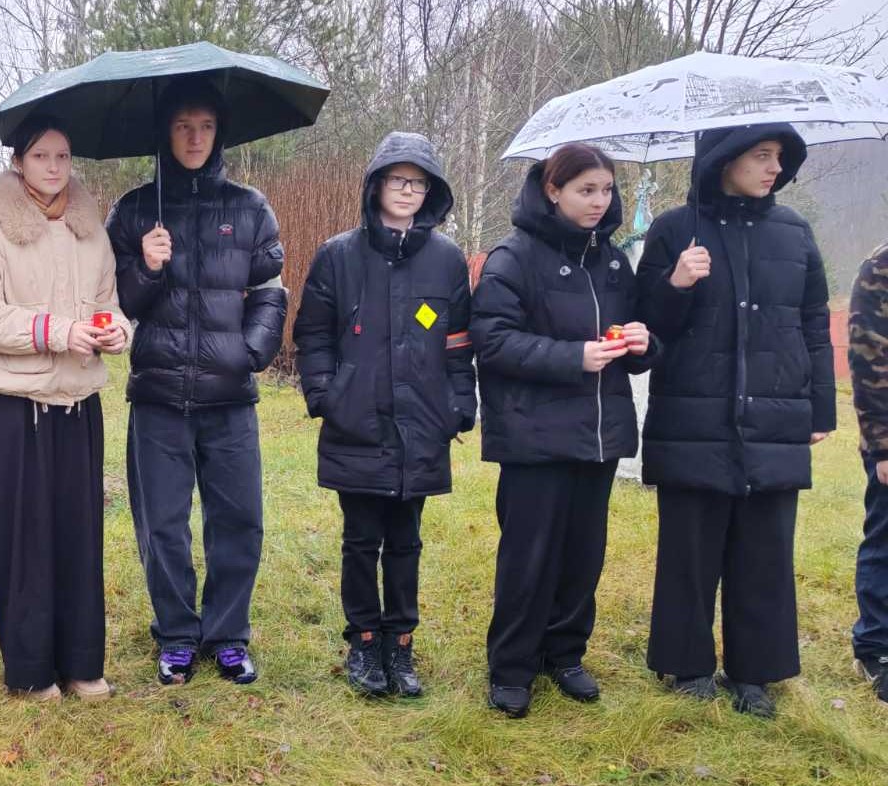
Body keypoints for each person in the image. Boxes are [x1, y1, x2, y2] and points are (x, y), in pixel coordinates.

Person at [637, 123, 834, 719]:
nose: (775, 168)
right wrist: (676, 284)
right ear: (724, 160)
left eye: (780, 157)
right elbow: (647, 329)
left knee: (764, 550)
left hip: (774, 413)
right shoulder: (674, 230)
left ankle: (755, 673)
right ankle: (687, 665)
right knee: (689, 549)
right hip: (693, 415)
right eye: (762, 155)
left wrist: (819, 407)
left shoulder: (794, 232)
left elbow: (813, 324)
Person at [105, 80, 287, 687]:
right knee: (161, 523)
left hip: (229, 397)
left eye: (205, 126)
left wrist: (250, 352)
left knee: (239, 519)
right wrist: (147, 266)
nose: (194, 138)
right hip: (157, 395)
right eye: (183, 125)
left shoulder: (249, 207)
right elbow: (117, 302)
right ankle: (178, 634)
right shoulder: (134, 211)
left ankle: (228, 635)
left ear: (219, 132)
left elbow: (270, 289)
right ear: (166, 131)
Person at [472, 143, 657, 718]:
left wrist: (643, 342)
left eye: (606, 190)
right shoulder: (513, 257)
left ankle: (566, 653)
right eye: (586, 190)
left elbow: (637, 341)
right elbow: (492, 341)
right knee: (529, 558)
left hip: (599, 436)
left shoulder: (614, 262)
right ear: (553, 191)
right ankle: (512, 667)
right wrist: (571, 356)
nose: (599, 201)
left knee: (583, 554)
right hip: (535, 436)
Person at [292, 132, 475, 699]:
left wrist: (459, 405)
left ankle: (401, 643)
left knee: (406, 541)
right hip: (357, 422)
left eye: (418, 182)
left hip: (422, 423)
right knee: (360, 539)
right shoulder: (337, 255)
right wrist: (327, 395)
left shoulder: (446, 260)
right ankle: (365, 641)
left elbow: (458, 342)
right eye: (398, 179)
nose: (407, 190)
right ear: (375, 185)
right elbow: (312, 335)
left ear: (432, 191)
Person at [0, 115, 131, 701]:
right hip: (17, 408)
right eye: (40, 156)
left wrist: (117, 330)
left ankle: (81, 663)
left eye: (62, 155)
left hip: (78, 404)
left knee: (79, 537)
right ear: (18, 162)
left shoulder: (90, 229)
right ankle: (30, 670)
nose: (54, 167)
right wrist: (56, 330)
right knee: (24, 541)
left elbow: (108, 300)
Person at [848, 239, 888, 708]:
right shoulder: (881, 266)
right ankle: (876, 647)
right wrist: (882, 445)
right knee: (885, 541)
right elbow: (868, 357)